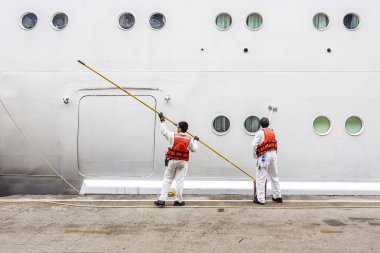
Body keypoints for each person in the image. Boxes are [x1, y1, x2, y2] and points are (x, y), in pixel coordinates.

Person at [154, 112, 199, 207]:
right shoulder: (189, 139)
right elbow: (194, 149)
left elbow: (163, 130)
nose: (176, 128)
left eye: (177, 127)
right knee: (179, 180)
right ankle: (178, 200)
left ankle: (162, 200)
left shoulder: (172, 135)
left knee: (167, 179)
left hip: (172, 160)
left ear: (179, 128)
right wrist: (195, 140)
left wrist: (162, 120)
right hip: (183, 162)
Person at [252, 117, 282, 205]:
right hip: (273, 156)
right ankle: (277, 196)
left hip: (264, 156)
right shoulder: (273, 132)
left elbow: (254, 145)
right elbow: (276, 143)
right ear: (268, 124)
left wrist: (255, 156)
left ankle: (260, 199)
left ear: (260, 124)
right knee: (274, 176)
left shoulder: (260, 133)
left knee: (261, 178)